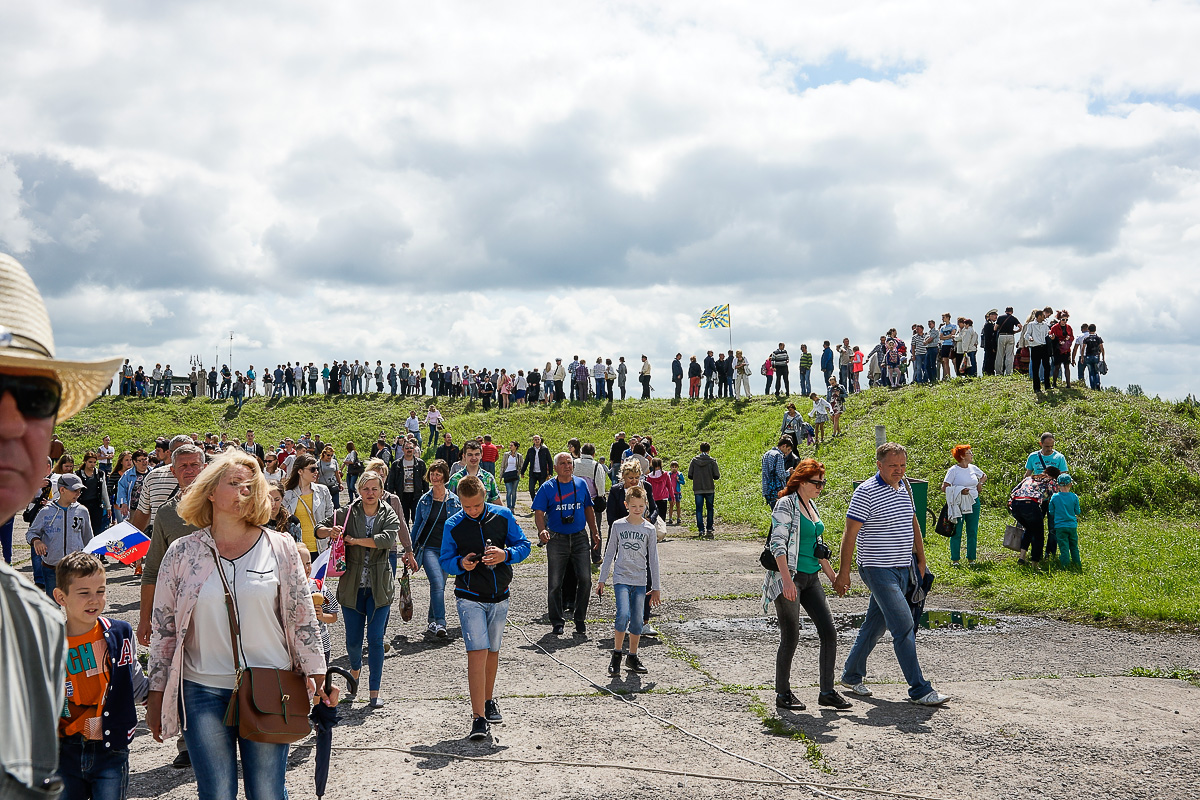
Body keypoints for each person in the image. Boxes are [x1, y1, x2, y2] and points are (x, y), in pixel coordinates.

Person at [146, 450, 330, 800]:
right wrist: (157, 692)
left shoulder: (281, 547)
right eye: (234, 483)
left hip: (270, 683)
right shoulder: (183, 553)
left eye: (251, 485)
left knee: (267, 791)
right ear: (210, 491)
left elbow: (300, 613)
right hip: (201, 688)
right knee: (216, 793)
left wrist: (315, 669)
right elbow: (165, 630)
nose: (244, 491)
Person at [834, 443, 949, 706]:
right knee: (903, 624)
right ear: (879, 465)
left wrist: (921, 559)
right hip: (877, 568)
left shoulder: (904, 488)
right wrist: (844, 573)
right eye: (893, 466)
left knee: (875, 625)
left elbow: (913, 522)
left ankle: (851, 675)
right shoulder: (866, 492)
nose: (899, 470)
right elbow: (849, 535)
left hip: (903, 568)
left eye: (902, 465)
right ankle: (920, 689)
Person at [440, 475, 532, 740]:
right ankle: (478, 718)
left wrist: (506, 555)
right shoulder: (453, 524)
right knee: (476, 653)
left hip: (500, 595)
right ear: (459, 502)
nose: (471, 511)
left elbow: (524, 546)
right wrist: (460, 563)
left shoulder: (503, 515)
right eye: (466, 507)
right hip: (469, 596)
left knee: (493, 651)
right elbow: (445, 560)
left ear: (485, 498)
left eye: (477, 506)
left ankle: (489, 700)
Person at [54, 553, 149, 800]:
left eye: (101, 591)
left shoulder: (120, 633)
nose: (94, 600)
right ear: (61, 597)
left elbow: (134, 680)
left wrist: (161, 702)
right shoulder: (49, 642)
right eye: (84, 592)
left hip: (111, 750)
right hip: (64, 752)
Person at [762, 459, 849, 712]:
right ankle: (783, 693)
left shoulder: (811, 505)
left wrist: (833, 577)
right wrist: (787, 582)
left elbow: (817, 547)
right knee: (791, 636)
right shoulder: (785, 504)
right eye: (816, 482)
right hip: (789, 577)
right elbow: (777, 544)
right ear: (801, 481)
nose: (821, 486)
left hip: (811, 578)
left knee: (829, 632)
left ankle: (827, 692)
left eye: (823, 482)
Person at [335, 470, 400, 708]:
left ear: (382, 491)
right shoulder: (347, 512)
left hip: (379, 586)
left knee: (375, 639)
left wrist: (353, 540)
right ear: (358, 490)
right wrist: (330, 532)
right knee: (352, 641)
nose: (370, 493)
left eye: (374, 489)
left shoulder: (389, 512)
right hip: (352, 586)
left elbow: (385, 540)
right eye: (366, 488)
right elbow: (321, 528)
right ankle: (354, 672)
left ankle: (374, 692)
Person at [533, 453, 601, 636]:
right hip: (557, 539)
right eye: (562, 463)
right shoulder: (547, 487)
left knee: (585, 579)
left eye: (569, 463)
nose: (567, 466)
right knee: (555, 582)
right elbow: (538, 512)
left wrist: (594, 531)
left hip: (579, 537)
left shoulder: (581, 484)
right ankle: (557, 621)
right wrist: (542, 530)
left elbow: (588, 508)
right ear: (555, 467)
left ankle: (580, 619)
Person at [597, 486, 661, 676]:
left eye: (641, 506)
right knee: (623, 614)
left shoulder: (649, 529)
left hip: (640, 580)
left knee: (637, 621)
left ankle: (632, 656)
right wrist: (602, 579)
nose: (637, 509)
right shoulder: (618, 526)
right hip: (621, 578)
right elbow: (609, 554)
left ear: (646, 505)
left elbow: (654, 560)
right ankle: (616, 655)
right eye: (633, 506)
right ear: (626, 505)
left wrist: (656, 587)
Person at [411, 460, 462, 638]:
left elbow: (460, 527)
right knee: (437, 583)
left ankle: (432, 620)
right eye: (432, 473)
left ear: (445, 476)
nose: (435, 477)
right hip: (428, 549)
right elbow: (416, 526)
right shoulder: (424, 500)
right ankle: (441, 622)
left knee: (440, 585)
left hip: (448, 550)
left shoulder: (455, 502)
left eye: (438, 474)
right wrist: (410, 551)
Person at [27, 473, 93, 599]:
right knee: (53, 603)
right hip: (51, 567)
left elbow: (88, 538)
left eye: (79, 491)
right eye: (74, 491)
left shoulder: (82, 511)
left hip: (75, 567)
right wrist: (36, 541)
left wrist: (92, 562)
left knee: (75, 602)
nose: (78, 494)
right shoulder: (46, 511)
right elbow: (31, 532)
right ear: (62, 490)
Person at [283, 453, 337, 560]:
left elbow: (330, 517)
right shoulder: (287, 495)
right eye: (312, 469)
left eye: (317, 469)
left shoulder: (323, 491)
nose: (316, 472)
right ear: (300, 471)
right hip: (297, 549)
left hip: (320, 547)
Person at [941, 445, 987, 565]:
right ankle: (955, 559)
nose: (971, 455)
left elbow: (984, 476)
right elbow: (944, 487)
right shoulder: (953, 470)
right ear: (961, 456)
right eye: (969, 453)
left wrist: (980, 484)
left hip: (974, 502)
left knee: (972, 530)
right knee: (957, 530)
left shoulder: (973, 468)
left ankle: (971, 558)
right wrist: (959, 490)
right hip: (959, 503)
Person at [687, 442, 720, 538]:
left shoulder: (694, 460)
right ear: (709, 450)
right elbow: (716, 475)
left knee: (699, 509)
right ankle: (709, 527)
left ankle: (701, 529)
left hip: (698, 488)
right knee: (710, 508)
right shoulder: (712, 461)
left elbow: (690, 475)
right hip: (709, 488)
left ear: (700, 450)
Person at [74, 451, 111, 537]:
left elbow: (104, 490)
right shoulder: (78, 474)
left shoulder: (100, 474)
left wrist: (108, 506)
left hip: (96, 504)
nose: (92, 464)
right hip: (82, 504)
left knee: (96, 528)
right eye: (90, 462)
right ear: (85, 462)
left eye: (94, 462)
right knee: (82, 528)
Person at [1049, 474, 1082, 568]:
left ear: (1058, 485)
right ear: (1070, 484)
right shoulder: (1074, 497)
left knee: (1064, 547)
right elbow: (1077, 511)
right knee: (1074, 546)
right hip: (1072, 525)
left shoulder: (1055, 497)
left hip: (1060, 526)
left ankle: (1065, 565)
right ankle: (1077, 564)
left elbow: (1051, 512)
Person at [761, 437, 794, 510]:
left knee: (774, 513)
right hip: (776, 490)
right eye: (788, 449)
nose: (787, 452)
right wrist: (789, 472)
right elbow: (781, 475)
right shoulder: (779, 455)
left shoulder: (767, 454)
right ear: (784, 446)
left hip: (767, 489)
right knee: (780, 514)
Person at [522, 434, 552, 502]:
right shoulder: (530, 450)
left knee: (541, 489)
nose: (537, 441)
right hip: (533, 473)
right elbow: (526, 461)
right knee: (531, 489)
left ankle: (540, 504)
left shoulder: (545, 450)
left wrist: (550, 472)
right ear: (533, 441)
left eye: (538, 439)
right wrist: (522, 472)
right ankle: (534, 501)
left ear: (540, 440)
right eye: (535, 439)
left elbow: (550, 461)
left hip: (542, 473)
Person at [1076, 324, 1106, 390]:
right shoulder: (1098, 338)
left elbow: (1083, 348)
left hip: (1088, 357)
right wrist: (1103, 357)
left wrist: (1082, 357)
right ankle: (1097, 384)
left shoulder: (1086, 339)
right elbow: (1102, 348)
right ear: (1095, 330)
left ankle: (1092, 387)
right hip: (1096, 356)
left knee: (1091, 372)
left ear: (1088, 330)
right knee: (1096, 372)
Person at [315, 445, 343, 509]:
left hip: (333, 485)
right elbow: (316, 476)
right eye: (328, 455)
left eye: (331, 455)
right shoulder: (318, 463)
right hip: (323, 486)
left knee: (336, 505)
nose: (330, 457)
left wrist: (340, 483)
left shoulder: (334, 462)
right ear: (324, 454)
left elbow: (337, 473)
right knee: (325, 506)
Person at [981, 309, 1000, 376]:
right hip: (989, 346)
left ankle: (988, 372)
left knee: (989, 359)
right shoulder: (989, 325)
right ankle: (988, 373)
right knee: (989, 360)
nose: (996, 316)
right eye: (994, 315)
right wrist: (993, 347)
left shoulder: (991, 324)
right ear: (990, 316)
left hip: (989, 346)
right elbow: (990, 337)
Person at [668, 461, 685, 525]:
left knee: (678, 505)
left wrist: (678, 480)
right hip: (670, 492)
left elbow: (683, 482)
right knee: (671, 505)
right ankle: (670, 518)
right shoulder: (669, 474)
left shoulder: (679, 474)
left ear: (677, 468)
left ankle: (678, 517)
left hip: (677, 492)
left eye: (675, 467)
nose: (674, 468)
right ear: (670, 467)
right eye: (673, 467)